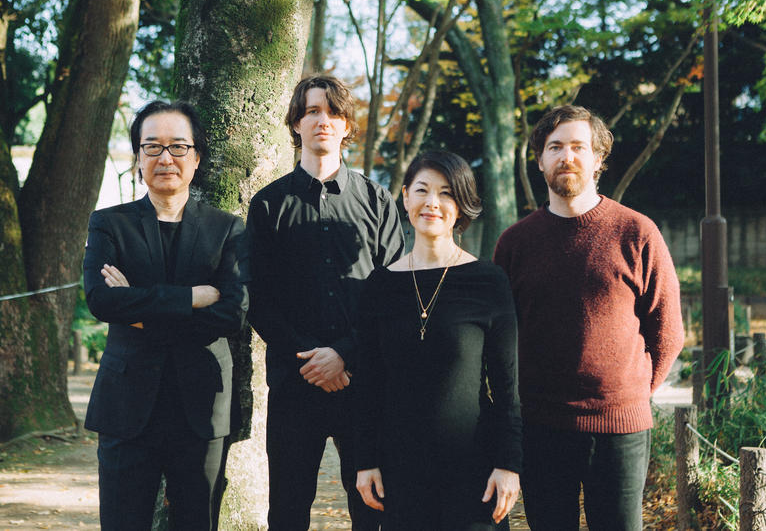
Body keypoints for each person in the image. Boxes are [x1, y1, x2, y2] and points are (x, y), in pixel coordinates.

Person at [493, 105, 685, 530]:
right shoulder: (514, 243)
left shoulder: (636, 232)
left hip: (620, 429)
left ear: (598, 159)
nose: (567, 156)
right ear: (540, 159)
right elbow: (501, 338)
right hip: (541, 426)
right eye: (555, 147)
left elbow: (668, 333)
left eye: (579, 147)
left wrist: (631, 396)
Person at [245, 74, 404, 530]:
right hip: (295, 385)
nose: (323, 121)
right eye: (312, 111)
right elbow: (257, 296)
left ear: (347, 125)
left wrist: (345, 355)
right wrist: (312, 359)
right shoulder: (269, 204)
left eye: (333, 112)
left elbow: (393, 292)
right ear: (296, 123)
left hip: (365, 384)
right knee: (289, 511)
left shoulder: (377, 201)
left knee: (373, 508)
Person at [83, 100, 249, 531]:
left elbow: (231, 313)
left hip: (201, 404)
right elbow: (102, 301)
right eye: (152, 147)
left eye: (178, 147)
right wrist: (191, 297)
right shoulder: (108, 224)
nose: (165, 158)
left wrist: (139, 307)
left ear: (196, 157)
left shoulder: (227, 229)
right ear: (138, 157)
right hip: (126, 404)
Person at [355, 150, 522, 530]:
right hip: (399, 472)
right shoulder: (379, 286)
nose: (432, 202)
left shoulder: (488, 281)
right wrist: (364, 461)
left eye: (446, 193)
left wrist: (508, 464)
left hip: (474, 472)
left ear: (461, 205)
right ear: (405, 197)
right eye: (422, 190)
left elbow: (507, 388)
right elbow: (368, 385)